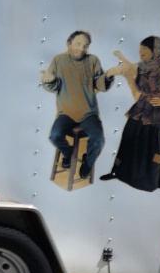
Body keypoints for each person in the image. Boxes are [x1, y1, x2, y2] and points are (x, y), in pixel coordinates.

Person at [100, 36, 160, 192]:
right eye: (140, 49)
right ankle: (119, 173)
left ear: (155, 50)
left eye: (144, 49)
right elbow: (131, 69)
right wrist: (121, 57)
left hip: (157, 114)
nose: (141, 52)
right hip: (140, 108)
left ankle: (148, 182)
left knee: (152, 147)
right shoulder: (144, 66)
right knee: (128, 139)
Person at [40, 30, 113, 180]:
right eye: (78, 44)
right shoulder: (59, 60)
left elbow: (100, 84)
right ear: (69, 43)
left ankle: (87, 163)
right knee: (54, 136)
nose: (81, 49)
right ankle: (68, 154)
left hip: (88, 113)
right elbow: (53, 87)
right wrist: (49, 81)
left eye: (85, 46)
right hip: (66, 112)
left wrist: (108, 76)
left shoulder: (93, 60)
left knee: (99, 140)